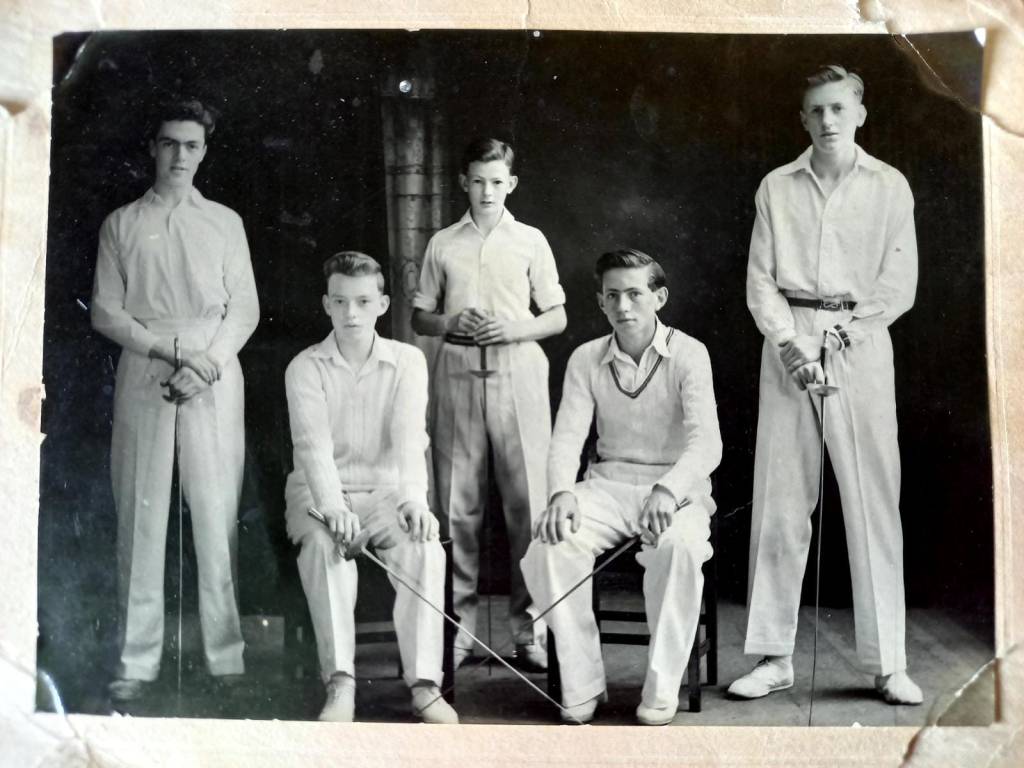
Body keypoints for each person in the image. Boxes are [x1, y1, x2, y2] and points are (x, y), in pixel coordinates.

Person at [729, 65, 922, 705]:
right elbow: (761, 281)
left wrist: (837, 341)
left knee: (873, 501)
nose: (828, 120)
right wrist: (791, 347)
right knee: (780, 502)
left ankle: (887, 662)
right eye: (816, 110)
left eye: (839, 108)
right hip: (788, 342)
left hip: (859, 345)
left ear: (861, 114)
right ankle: (773, 655)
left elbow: (897, 286)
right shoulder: (776, 187)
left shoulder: (890, 187)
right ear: (803, 119)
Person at [92, 99, 259, 702]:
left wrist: (207, 362)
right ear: (152, 148)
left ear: (204, 151)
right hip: (146, 368)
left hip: (214, 372)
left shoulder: (225, 222)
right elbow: (108, 310)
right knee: (141, 515)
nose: (179, 155)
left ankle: (226, 657)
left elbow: (244, 308)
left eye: (191, 145)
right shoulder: (122, 223)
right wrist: (167, 351)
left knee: (217, 515)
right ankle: (136, 662)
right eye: (169, 143)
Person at [521, 249, 722, 725]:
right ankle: (583, 683)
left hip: (676, 489)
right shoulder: (586, 358)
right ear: (601, 301)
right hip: (607, 485)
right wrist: (561, 493)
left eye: (635, 293)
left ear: (659, 297)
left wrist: (669, 489)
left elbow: (707, 443)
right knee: (550, 545)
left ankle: (660, 689)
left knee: (679, 549)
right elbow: (567, 436)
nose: (624, 305)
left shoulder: (689, 354)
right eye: (613, 295)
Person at [411, 137, 567, 671]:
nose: (486, 191)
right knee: (458, 509)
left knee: (529, 507)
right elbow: (420, 317)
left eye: (496, 181)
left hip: (518, 372)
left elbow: (557, 315)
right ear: (463, 182)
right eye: (477, 180)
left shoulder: (530, 240)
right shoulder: (443, 243)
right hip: (455, 374)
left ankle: (531, 630)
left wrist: (514, 327)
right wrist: (450, 322)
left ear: (511, 184)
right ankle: (457, 631)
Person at [283, 251, 458, 724]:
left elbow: (408, 441)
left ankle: (424, 686)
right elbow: (312, 447)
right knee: (324, 546)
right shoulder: (304, 366)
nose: (351, 313)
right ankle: (340, 684)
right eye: (340, 302)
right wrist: (332, 506)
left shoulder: (408, 361)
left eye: (362, 301)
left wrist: (414, 502)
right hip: (318, 493)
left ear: (382, 304)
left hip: (387, 490)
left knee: (424, 546)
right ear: (326, 304)